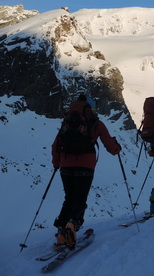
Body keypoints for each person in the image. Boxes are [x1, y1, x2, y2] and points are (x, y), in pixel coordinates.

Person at [51, 95, 121, 248]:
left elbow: (56, 145)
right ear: (90, 108)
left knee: (69, 198)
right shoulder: (95, 122)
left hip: (66, 166)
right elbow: (109, 145)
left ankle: (61, 232)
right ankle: (72, 226)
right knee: (80, 198)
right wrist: (117, 148)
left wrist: (57, 163)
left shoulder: (67, 121)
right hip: (85, 166)